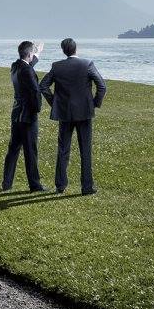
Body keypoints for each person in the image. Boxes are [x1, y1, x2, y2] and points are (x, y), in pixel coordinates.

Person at [40, 38, 106, 195]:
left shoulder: (57, 66)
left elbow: (43, 86)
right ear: (76, 48)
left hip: (65, 113)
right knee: (85, 150)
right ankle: (87, 187)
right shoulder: (87, 64)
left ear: (63, 51)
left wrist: (55, 103)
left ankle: (60, 185)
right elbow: (102, 86)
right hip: (84, 113)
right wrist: (94, 103)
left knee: (63, 149)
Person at [2, 40, 45, 192]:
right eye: (32, 53)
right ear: (29, 54)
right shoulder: (27, 71)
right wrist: (37, 108)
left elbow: (28, 65)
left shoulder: (15, 66)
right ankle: (35, 184)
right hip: (28, 116)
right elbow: (35, 91)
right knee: (30, 151)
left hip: (17, 114)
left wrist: (37, 52)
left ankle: (7, 183)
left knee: (13, 149)